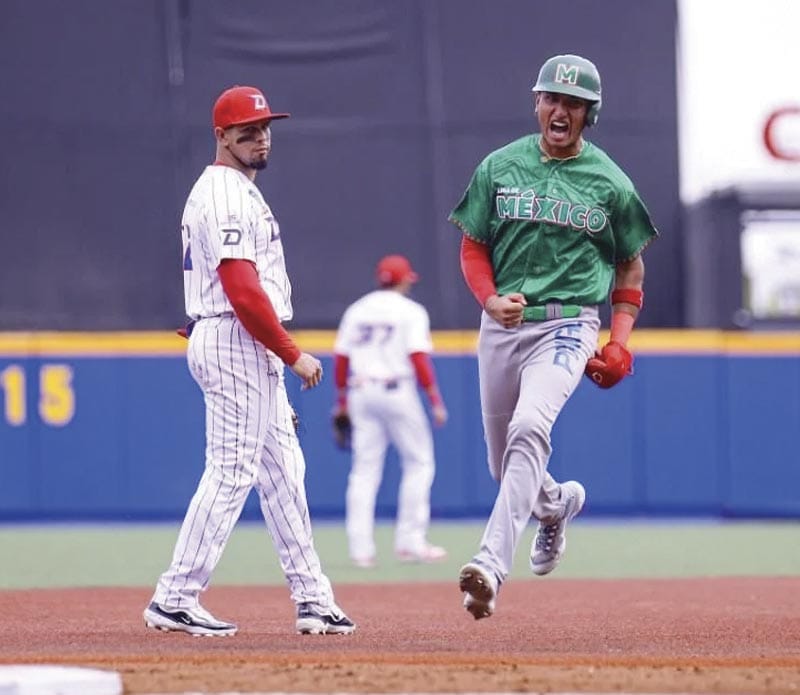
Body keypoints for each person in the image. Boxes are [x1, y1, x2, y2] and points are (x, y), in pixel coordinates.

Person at [448, 54, 658, 619]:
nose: (561, 110)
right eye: (553, 99)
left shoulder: (610, 182)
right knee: (504, 466)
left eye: (574, 103)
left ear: (591, 113)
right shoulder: (499, 166)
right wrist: (489, 298)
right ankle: (556, 504)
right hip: (503, 324)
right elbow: (473, 245)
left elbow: (630, 268)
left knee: (530, 426)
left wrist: (619, 339)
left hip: (568, 323)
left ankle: (490, 565)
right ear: (537, 103)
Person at [143, 85, 355, 636]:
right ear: (221, 136)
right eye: (246, 130)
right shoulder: (226, 194)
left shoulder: (233, 190)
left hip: (238, 338)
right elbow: (241, 288)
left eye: (264, 127)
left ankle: (313, 598)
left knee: (284, 473)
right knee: (232, 470)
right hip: (239, 337)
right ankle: (176, 595)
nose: (259, 137)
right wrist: (291, 354)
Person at [332, 255, 449, 568]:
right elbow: (419, 357)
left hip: (360, 391)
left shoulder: (357, 309)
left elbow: (341, 359)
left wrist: (341, 400)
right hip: (397, 390)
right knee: (419, 462)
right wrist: (435, 400)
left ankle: (361, 550)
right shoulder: (411, 311)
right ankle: (410, 542)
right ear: (405, 279)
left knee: (364, 470)